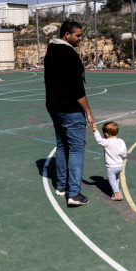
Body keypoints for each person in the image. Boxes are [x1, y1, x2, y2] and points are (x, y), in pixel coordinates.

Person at [44, 19, 95, 206]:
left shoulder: (50, 52)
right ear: (67, 35)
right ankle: (74, 193)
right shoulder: (68, 54)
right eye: (78, 35)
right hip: (70, 109)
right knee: (76, 149)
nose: (81, 39)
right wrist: (88, 112)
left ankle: (61, 185)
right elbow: (77, 90)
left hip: (54, 107)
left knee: (61, 145)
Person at [92, 121, 128, 201]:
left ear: (106, 134)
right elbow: (124, 153)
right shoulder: (121, 141)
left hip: (111, 167)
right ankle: (115, 190)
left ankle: (117, 194)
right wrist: (123, 159)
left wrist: (95, 131)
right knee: (116, 179)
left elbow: (99, 140)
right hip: (120, 165)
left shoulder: (107, 142)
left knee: (112, 180)